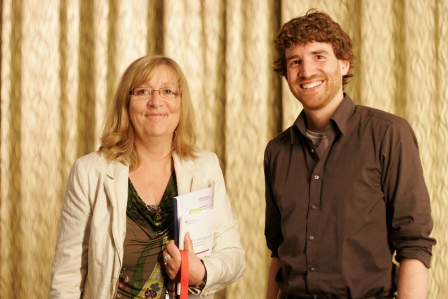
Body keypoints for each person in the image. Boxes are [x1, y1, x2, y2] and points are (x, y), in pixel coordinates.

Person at [264, 9, 436, 299]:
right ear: (287, 74)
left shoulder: (388, 135)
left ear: (343, 64)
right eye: (296, 61)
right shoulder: (277, 152)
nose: (306, 71)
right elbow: (277, 250)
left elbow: (414, 244)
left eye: (319, 56)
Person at [49, 55, 246, 299]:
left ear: (181, 102)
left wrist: (201, 272)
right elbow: (67, 277)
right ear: (127, 103)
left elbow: (234, 256)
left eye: (168, 91)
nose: (156, 101)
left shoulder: (206, 167)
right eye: (143, 91)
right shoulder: (90, 173)